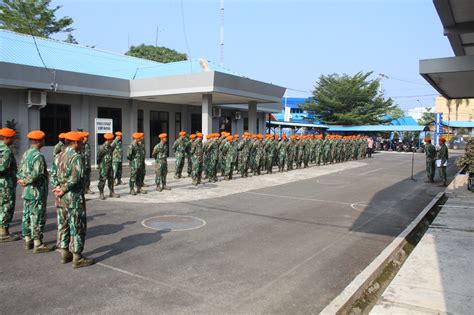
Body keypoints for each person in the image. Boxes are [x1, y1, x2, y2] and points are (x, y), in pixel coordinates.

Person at [52, 131, 95, 268]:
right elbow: (75, 179)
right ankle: (77, 257)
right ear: (75, 143)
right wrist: (64, 188)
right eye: (81, 142)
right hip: (74, 198)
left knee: (63, 225)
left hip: (61, 198)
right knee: (77, 226)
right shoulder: (76, 158)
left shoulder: (58, 156)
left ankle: (64, 253)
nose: (82, 144)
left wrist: (58, 188)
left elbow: (53, 175)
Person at [17, 130, 52, 252]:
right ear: (38, 141)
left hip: (27, 192)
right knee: (37, 216)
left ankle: (28, 240)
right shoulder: (38, 156)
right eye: (43, 139)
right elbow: (36, 174)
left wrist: (22, 180)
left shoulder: (26, 154)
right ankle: (38, 243)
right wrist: (26, 181)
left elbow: (19, 171)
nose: (44, 141)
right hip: (36, 192)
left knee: (26, 215)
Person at [0, 128, 20, 242]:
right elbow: (3, 167)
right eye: (12, 138)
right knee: (6, 206)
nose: (13, 140)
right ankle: (3, 233)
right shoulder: (6, 150)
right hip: (5, 183)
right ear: (6, 138)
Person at [97, 133, 119, 200]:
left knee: (111, 179)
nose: (112, 141)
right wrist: (100, 165)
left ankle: (111, 192)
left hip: (110, 166)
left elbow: (113, 146)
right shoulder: (102, 148)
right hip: (103, 166)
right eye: (111, 140)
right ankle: (101, 193)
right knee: (102, 180)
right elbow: (98, 157)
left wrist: (116, 139)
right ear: (108, 140)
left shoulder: (110, 147)